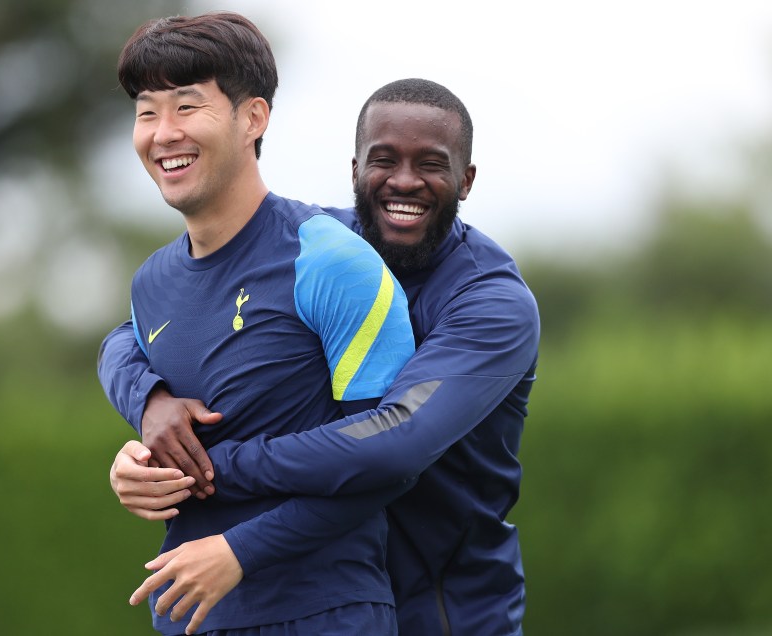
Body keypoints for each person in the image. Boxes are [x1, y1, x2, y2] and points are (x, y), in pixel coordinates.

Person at [101, 78, 541, 635]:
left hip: (447, 609)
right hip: (324, 592)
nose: (404, 181)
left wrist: (201, 466)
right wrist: (151, 405)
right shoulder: (325, 246)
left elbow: (395, 437)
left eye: (430, 164)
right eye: (384, 161)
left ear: (466, 180)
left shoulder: (492, 304)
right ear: (355, 171)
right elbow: (127, 335)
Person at [99, 11, 418, 635]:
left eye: (187, 106)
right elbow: (123, 351)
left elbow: (387, 462)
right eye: (146, 111)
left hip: (323, 615)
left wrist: (242, 551)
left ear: (253, 118)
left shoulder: (331, 261)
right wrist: (139, 450)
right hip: (186, 618)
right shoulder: (151, 282)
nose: (163, 133)